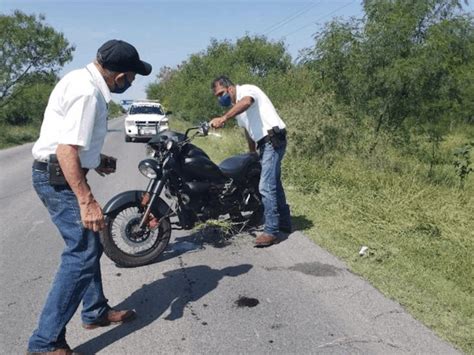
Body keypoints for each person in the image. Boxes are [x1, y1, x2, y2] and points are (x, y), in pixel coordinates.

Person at [28, 39, 152, 355]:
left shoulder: (80, 79)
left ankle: (95, 312)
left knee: (89, 242)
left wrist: (97, 160)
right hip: (57, 178)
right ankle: (44, 343)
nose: (132, 82)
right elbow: (66, 149)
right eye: (133, 76)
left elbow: (72, 143)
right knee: (82, 252)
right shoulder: (88, 94)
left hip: (59, 173)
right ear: (121, 75)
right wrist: (87, 200)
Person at [209, 76, 291, 247]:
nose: (220, 98)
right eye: (217, 96)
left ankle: (271, 231)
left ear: (230, 88)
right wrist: (252, 152)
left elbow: (246, 102)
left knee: (265, 185)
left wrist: (223, 118)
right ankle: (284, 222)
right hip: (264, 142)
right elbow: (248, 130)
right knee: (274, 182)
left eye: (221, 93)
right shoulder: (237, 108)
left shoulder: (246, 90)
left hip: (273, 138)